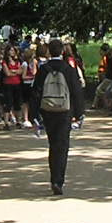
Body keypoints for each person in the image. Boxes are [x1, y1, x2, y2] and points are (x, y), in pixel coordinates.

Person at [30, 38, 85, 196]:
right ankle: (58, 179)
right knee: (62, 145)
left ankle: (53, 176)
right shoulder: (68, 68)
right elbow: (76, 91)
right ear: (62, 51)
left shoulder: (44, 69)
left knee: (53, 143)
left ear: (49, 51)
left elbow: (35, 92)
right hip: (65, 110)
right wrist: (79, 113)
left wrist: (34, 115)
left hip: (47, 110)